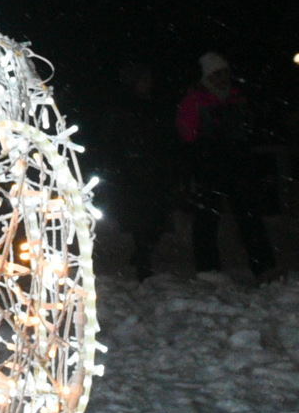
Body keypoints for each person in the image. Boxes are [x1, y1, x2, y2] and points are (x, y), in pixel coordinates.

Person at [176, 52, 277, 286]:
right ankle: (207, 268)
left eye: (226, 73)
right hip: (209, 166)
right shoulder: (195, 101)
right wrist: (195, 167)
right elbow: (187, 138)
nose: (224, 77)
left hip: (238, 165)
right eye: (218, 73)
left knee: (250, 217)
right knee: (207, 218)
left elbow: (248, 131)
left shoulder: (236, 98)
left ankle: (264, 267)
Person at [110, 61, 178, 281]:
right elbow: (117, 137)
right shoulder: (124, 106)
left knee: (155, 218)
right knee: (142, 218)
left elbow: (161, 132)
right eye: (143, 81)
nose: (147, 85)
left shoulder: (152, 104)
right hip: (134, 168)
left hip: (153, 166)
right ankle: (143, 261)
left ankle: (142, 254)